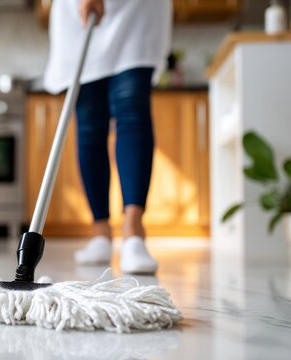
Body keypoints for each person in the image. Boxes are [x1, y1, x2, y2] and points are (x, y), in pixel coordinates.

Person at [43, 0, 172, 274]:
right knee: (89, 126)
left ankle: (133, 232)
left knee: (131, 110)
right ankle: (100, 232)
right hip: (77, 16)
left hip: (137, 11)